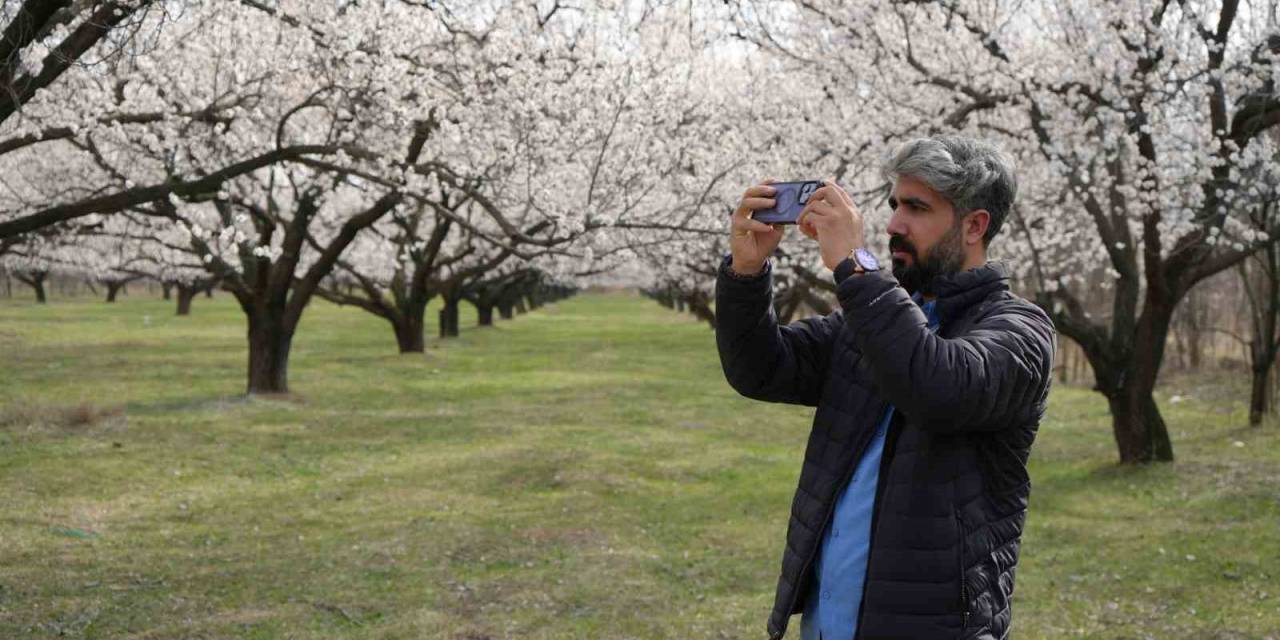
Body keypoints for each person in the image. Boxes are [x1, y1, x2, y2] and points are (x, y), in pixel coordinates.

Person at [715, 135, 1057, 640]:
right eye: (895, 204)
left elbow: (938, 386)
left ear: (974, 225)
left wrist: (856, 266)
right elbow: (761, 368)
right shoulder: (873, 322)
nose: (895, 223)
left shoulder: (1022, 332)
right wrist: (747, 272)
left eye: (917, 208)